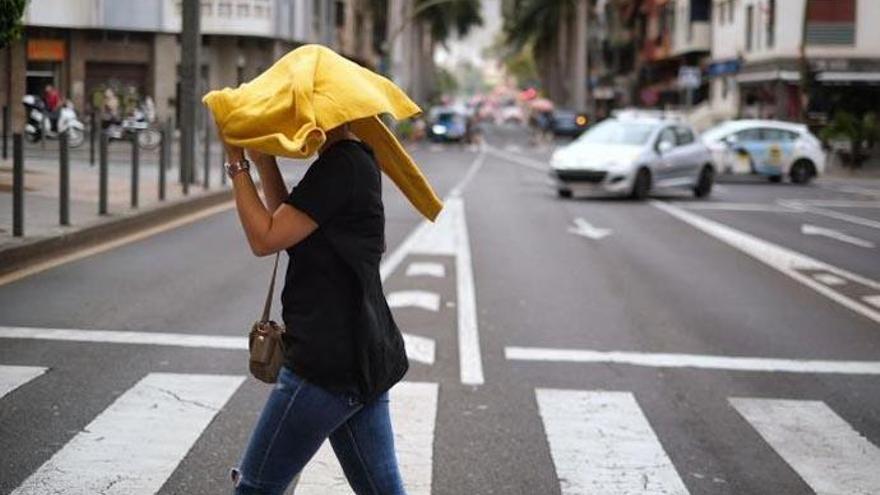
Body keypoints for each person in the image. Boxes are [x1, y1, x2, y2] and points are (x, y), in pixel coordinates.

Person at [205, 44, 442, 495]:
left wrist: (235, 160)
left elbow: (264, 239)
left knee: (255, 487)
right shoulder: (348, 161)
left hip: (326, 366)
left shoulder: (343, 168)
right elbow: (288, 222)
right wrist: (263, 159)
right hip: (360, 358)